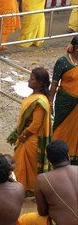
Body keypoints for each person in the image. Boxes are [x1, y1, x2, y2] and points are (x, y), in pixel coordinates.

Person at [18, 140, 78, 225]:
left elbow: (42, 212)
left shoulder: (42, 179)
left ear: (49, 160)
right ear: (68, 156)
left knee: (23, 221)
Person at [9, 67, 52, 196]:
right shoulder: (35, 96)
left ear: (40, 83)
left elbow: (36, 124)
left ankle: (22, 190)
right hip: (28, 136)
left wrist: (23, 135)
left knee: (22, 166)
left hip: (31, 139)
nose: (29, 81)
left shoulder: (39, 101)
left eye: (32, 79)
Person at [49, 36, 78, 166]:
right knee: (60, 129)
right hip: (65, 104)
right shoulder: (63, 62)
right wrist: (49, 102)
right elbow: (54, 85)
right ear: (74, 48)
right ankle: (56, 156)